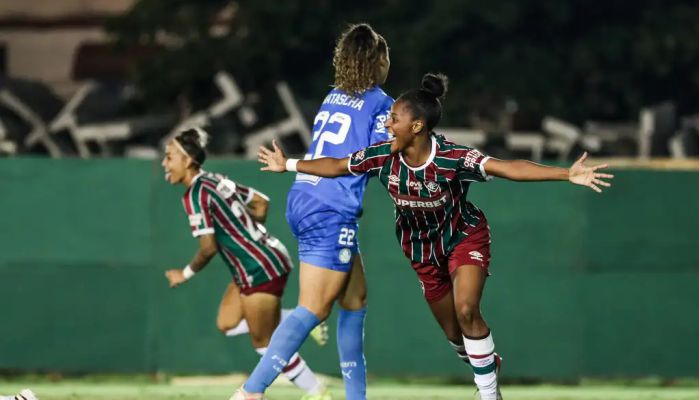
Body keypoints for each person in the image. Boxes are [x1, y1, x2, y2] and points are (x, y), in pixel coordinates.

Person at [256, 73, 614, 400]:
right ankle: (486, 363)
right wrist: (287, 164)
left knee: (466, 309)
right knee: (457, 337)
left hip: (463, 237)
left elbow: (507, 168)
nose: (386, 122)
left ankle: (490, 394)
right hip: (422, 253)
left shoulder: (452, 157)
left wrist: (567, 174)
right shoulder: (382, 156)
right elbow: (335, 165)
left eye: (393, 118)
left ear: (416, 125)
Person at [231, 23, 393, 400]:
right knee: (314, 308)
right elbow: (380, 158)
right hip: (331, 207)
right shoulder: (381, 103)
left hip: (305, 196)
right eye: (386, 58)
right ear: (378, 61)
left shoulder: (333, 96)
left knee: (355, 302)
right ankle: (251, 392)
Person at [161, 128, 329, 400]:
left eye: (169, 157)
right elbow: (261, 203)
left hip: (259, 268)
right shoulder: (216, 180)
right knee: (227, 323)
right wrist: (245, 233)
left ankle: (317, 392)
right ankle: (296, 320)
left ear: (188, 160)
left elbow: (208, 248)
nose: (164, 164)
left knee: (264, 342)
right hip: (262, 259)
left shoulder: (194, 195)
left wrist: (184, 273)